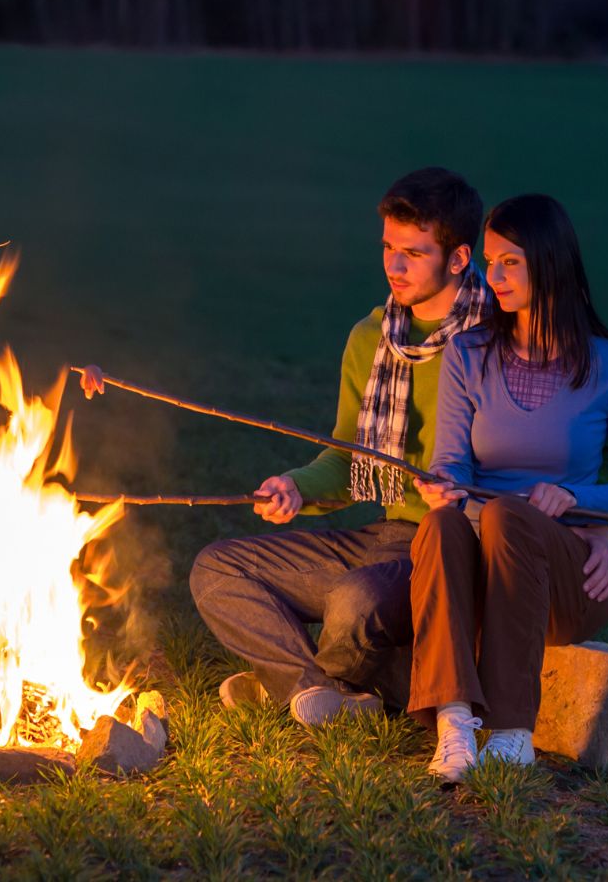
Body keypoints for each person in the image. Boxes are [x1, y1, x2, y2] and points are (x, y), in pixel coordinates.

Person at [183, 168, 493, 726]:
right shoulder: (370, 339)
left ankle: (296, 685)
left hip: (455, 546)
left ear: (458, 257)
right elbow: (351, 458)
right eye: (387, 248)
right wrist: (296, 487)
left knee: (356, 599)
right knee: (218, 568)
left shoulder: (499, 339)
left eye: (414, 253)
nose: (394, 267)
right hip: (386, 538)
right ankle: (318, 691)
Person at [411, 193, 608, 783]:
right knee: (443, 523)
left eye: (508, 263)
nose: (491, 277)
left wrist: (579, 501)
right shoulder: (468, 354)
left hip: (564, 577)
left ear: (548, 263)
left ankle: (513, 732)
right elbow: (450, 463)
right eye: (489, 263)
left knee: (508, 516)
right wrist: (441, 487)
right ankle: (454, 726)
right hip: (481, 569)